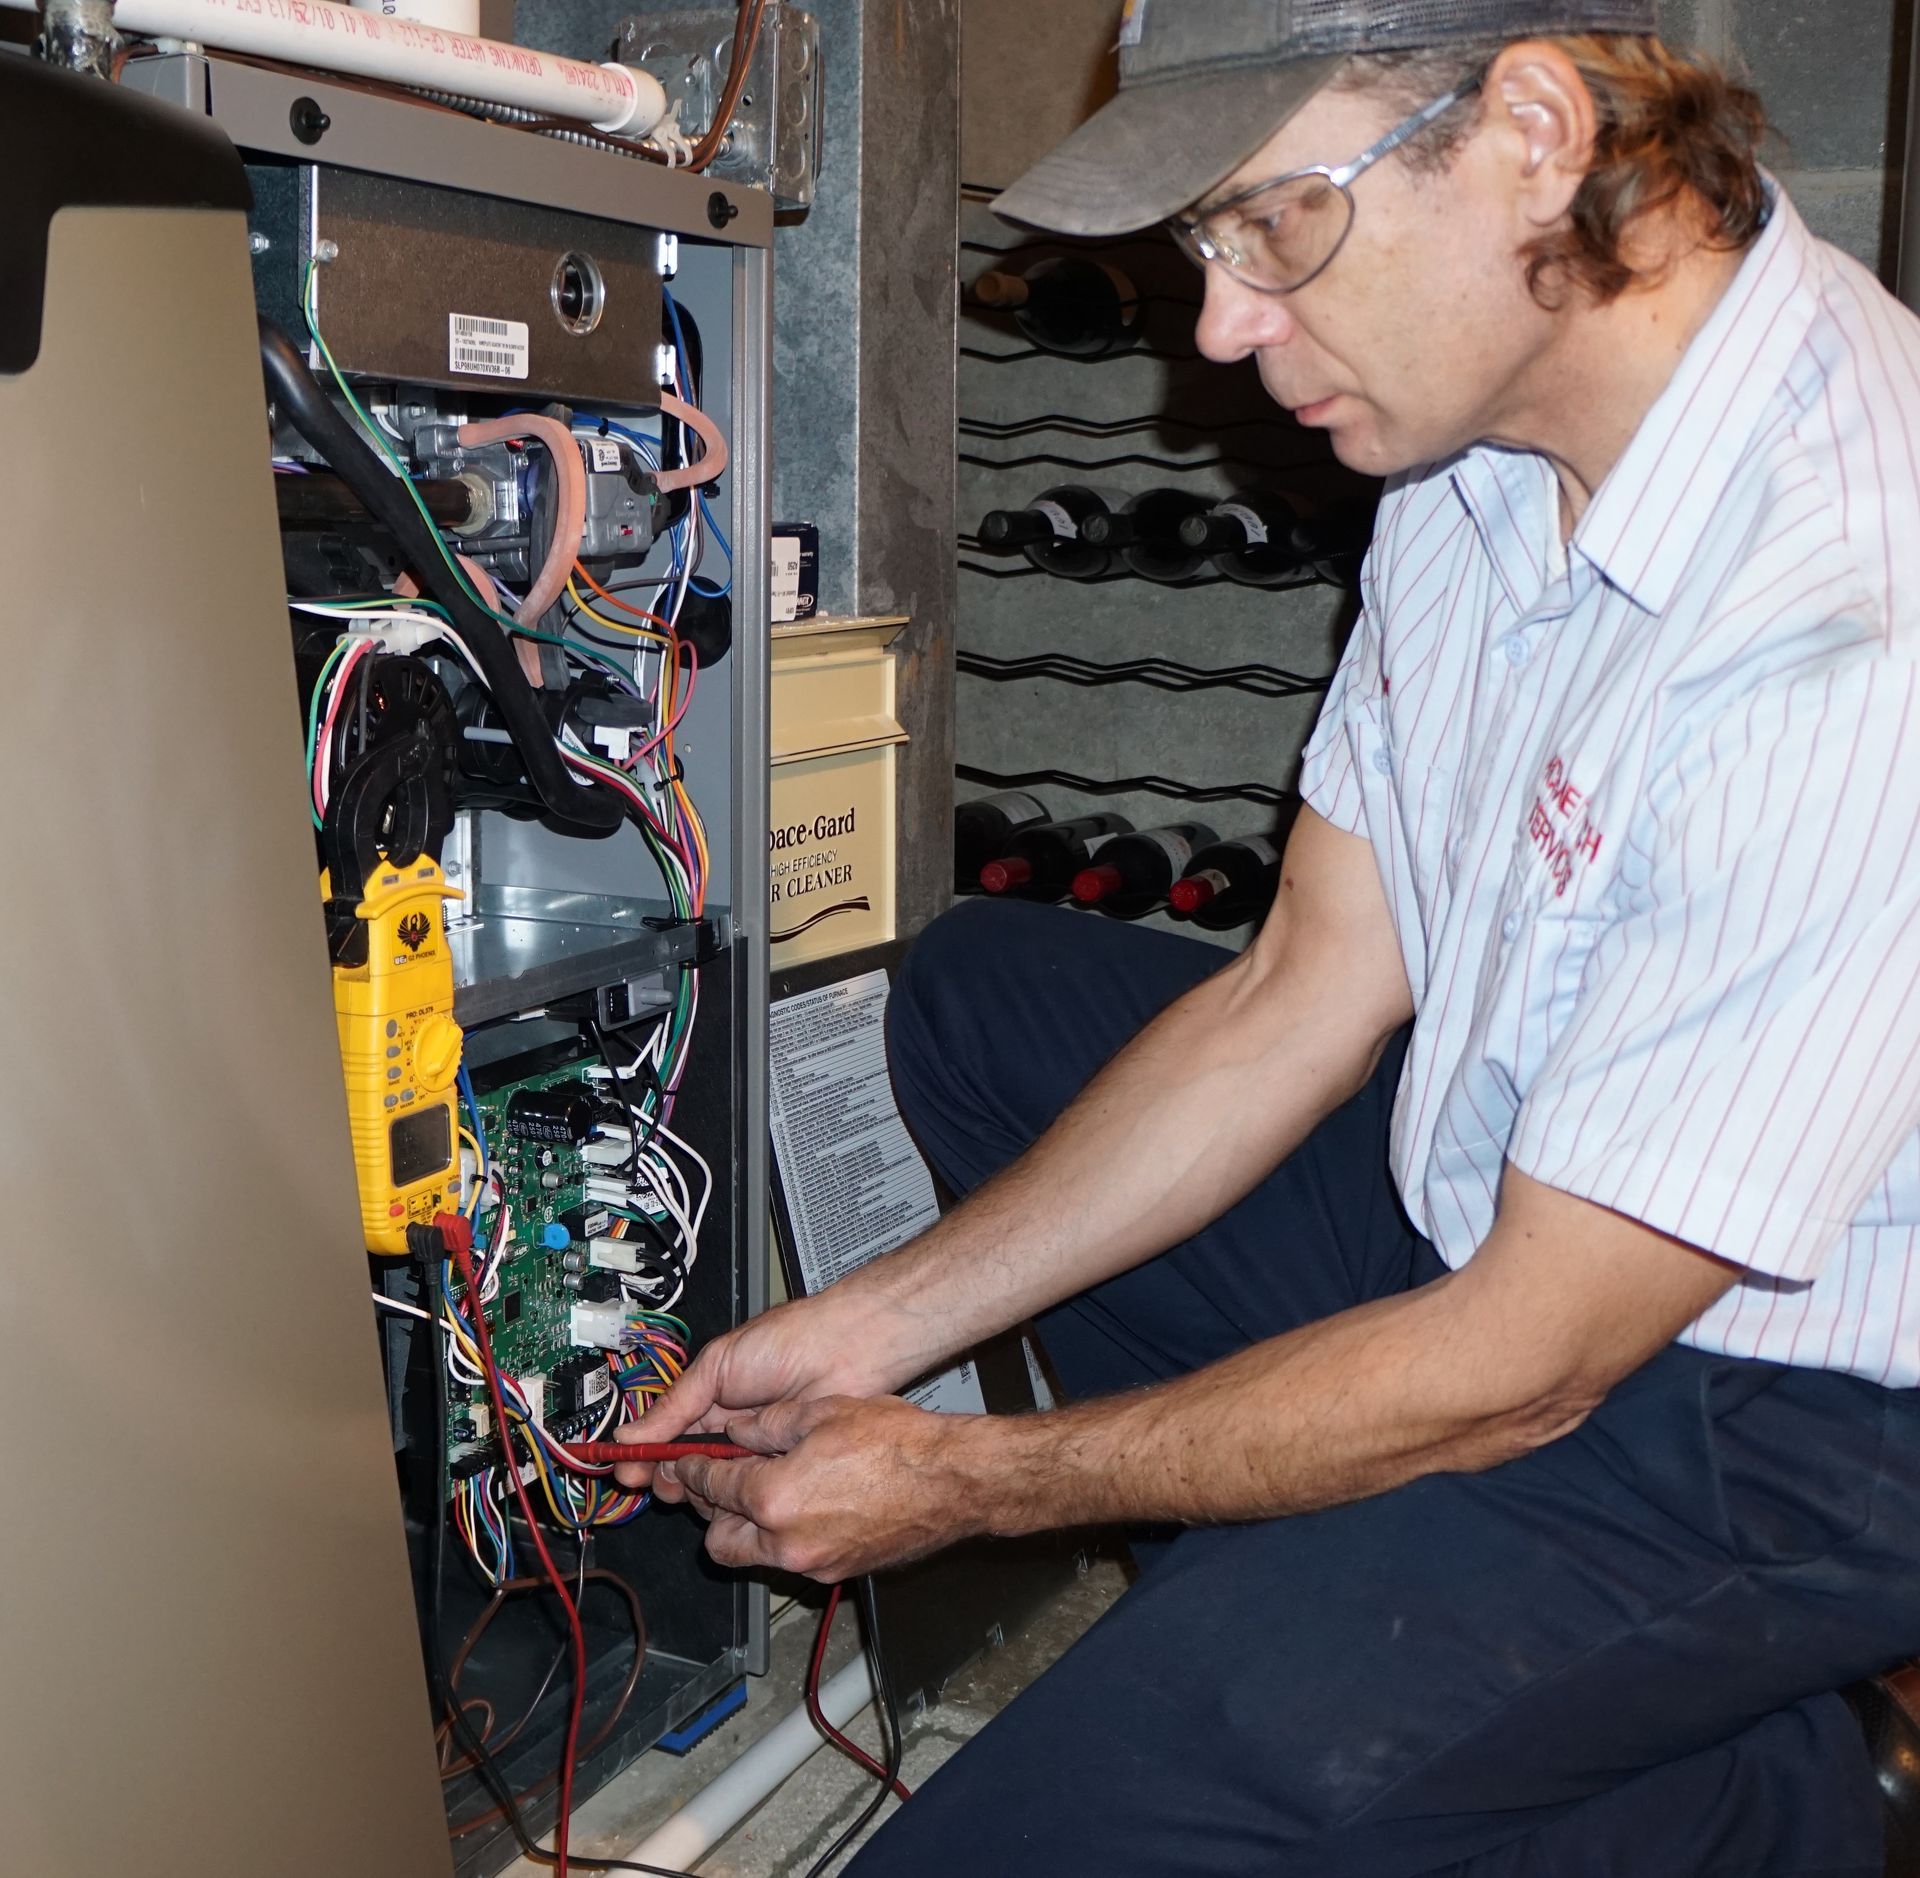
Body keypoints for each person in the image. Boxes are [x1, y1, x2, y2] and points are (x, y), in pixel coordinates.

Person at [620, 4, 1920, 1870]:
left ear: (1535, 132)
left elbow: (1530, 1356)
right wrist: (867, 1332)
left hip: (1784, 1420)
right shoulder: (1472, 452)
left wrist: (974, 1480)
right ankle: (1462, 1684)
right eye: (1204, 244)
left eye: (1273, 223)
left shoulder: (1849, 607)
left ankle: (1744, 1802)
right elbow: (1298, 992)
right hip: (1512, 1231)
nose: (1222, 327)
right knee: (973, 998)